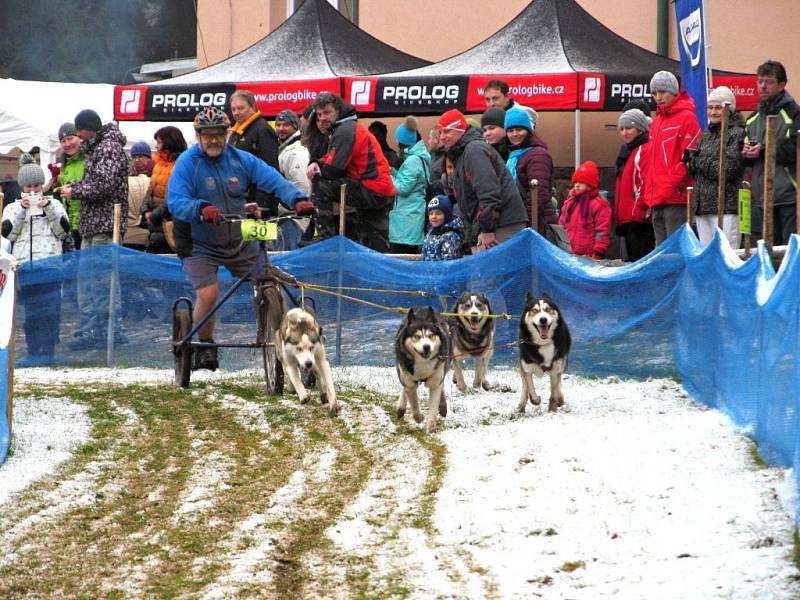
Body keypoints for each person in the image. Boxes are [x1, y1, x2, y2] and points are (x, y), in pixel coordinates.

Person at [167, 107, 315, 370]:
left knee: (269, 282)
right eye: (208, 135)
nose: (214, 140)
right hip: (198, 241)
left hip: (238, 236)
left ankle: (280, 336)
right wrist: (201, 208)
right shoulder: (188, 163)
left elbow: (273, 180)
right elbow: (176, 201)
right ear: (198, 136)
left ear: (227, 134)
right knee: (210, 293)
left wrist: (298, 199)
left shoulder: (240, 159)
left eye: (219, 135)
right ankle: (206, 344)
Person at [62, 109, 130, 350]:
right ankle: (92, 328)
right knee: (87, 281)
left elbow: (104, 185)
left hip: (105, 225)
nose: (77, 136)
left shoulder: (108, 148)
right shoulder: (96, 149)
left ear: (87, 129)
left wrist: (75, 191)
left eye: (78, 131)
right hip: (92, 225)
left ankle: (111, 330)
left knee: (103, 281)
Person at [304, 93, 397, 251]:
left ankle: (325, 237)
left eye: (327, 112)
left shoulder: (345, 130)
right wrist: (317, 162)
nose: (322, 118)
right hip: (381, 190)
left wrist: (318, 167)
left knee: (321, 184)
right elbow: (333, 161)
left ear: (338, 110)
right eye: (319, 114)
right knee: (373, 242)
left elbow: (333, 169)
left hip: (372, 188)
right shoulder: (348, 127)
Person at [1, 154, 70, 365]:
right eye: (29, 186)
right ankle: (33, 353)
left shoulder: (55, 204)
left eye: (37, 186)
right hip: (25, 268)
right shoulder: (12, 208)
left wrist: (47, 208)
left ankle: (48, 352)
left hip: (50, 266)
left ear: (43, 186)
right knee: (31, 313)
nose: (33, 191)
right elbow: (7, 234)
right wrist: (22, 210)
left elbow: (63, 231)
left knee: (51, 311)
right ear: (22, 187)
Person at [437, 109, 527, 253]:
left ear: (461, 130)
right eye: (440, 132)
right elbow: (470, 199)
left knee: (491, 274)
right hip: (495, 224)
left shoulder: (473, 151)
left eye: (447, 131)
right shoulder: (463, 153)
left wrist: (487, 229)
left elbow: (489, 192)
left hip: (501, 225)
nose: (442, 137)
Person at [743, 60, 800, 246]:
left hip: (790, 197)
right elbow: (743, 154)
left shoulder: (794, 114)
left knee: (788, 252)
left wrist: (765, 150)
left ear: (782, 84)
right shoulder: (753, 118)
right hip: (762, 198)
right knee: (768, 253)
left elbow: (795, 149)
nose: (763, 86)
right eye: (759, 81)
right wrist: (745, 153)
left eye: (768, 82)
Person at [642, 70, 701, 246]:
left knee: (674, 251)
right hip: (656, 197)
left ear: (674, 92)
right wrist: (649, 191)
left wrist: (671, 184)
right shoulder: (657, 121)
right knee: (660, 251)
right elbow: (651, 161)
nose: (658, 97)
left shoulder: (687, 118)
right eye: (654, 93)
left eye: (662, 92)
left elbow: (689, 158)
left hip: (675, 198)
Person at [685, 86, 746, 249]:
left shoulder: (737, 133)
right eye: (710, 107)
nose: (713, 112)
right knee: (707, 259)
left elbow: (728, 168)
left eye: (718, 108)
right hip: (703, 206)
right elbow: (695, 170)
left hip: (727, 206)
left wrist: (699, 161)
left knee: (728, 255)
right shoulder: (706, 134)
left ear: (729, 109)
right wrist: (690, 162)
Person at [503, 107, 557, 234]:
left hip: (536, 225)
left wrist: (527, 226)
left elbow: (538, 195)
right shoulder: (513, 155)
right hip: (519, 221)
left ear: (528, 130)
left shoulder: (537, 155)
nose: (515, 134)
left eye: (519, 129)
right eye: (510, 130)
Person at [228, 90, 281, 215]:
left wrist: (261, 204)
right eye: (233, 109)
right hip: (239, 199)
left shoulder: (262, 130)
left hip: (258, 203)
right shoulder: (236, 131)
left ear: (252, 106)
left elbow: (270, 168)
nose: (236, 112)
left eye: (240, 108)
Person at [614, 108, 655, 261]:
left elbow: (645, 182)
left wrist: (639, 209)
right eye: (622, 129)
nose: (625, 133)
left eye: (629, 128)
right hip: (627, 217)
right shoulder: (628, 151)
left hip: (638, 218)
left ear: (640, 129)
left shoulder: (644, 149)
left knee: (640, 260)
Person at [141, 126, 188, 254]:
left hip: (169, 223)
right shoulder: (158, 164)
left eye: (159, 142)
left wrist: (154, 215)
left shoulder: (181, 164)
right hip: (154, 223)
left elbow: (173, 197)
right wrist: (145, 210)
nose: (156, 146)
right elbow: (149, 190)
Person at [389, 116, 430, 254]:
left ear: (403, 143)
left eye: (398, 142)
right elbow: (408, 180)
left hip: (406, 220)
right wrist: (393, 172)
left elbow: (403, 188)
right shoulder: (418, 158)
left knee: (404, 258)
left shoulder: (412, 161)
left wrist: (387, 177)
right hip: (412, 216)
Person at [559, 161, 612, 260]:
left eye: (581, 182)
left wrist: (598, 252)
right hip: (568, 254)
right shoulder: (569, 203)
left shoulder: (600, 205)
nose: (577, 185)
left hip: (590, 256)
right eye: (575, 182)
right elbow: (561, 227)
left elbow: (602, 231)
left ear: (591, 184)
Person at [274, 109, 311, 250]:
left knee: (289, 260)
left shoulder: (296, 152)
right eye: (278, 125)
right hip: (286, 216)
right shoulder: (285, 148)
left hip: (294, 218)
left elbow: (302, 185)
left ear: (295, 127)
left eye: (286, 125)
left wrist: (291, 205)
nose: (281, 129)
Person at [51, 122, 86, 251]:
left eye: (70, 138)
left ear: (79, 137)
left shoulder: (89, 159)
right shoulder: (65, 165)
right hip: (68, 222)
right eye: (63, 141)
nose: (67, 144)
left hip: (86, 222)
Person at [421, 195, 464, 261]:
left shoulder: (451, 237)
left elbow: (449, 262)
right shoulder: (429, 234)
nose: (434, 216)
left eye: (438, 213)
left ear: (447, 215)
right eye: (431, 214)